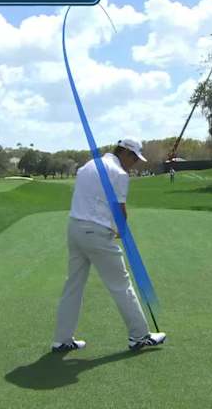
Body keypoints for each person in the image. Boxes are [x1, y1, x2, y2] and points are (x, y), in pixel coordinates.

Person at [52, 139, 166, 352]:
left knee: (73, 284)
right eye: (133, 157)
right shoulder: (119, 174)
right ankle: (140, 336)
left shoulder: (89, 165)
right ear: (123, 152)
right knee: (121, 284)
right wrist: (123, 233)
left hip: (75, 228)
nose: (134, 163)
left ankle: (62, 339)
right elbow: (119, 209)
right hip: (96, 232)